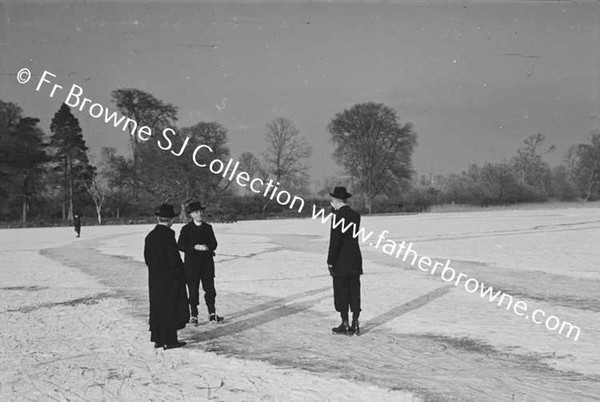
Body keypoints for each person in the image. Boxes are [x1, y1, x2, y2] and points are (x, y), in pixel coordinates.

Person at [144, 204, 190, 349]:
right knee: (170, 308)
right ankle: (170, 340)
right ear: (170, 220)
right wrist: (181, 272)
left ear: (158, 218)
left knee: (157, 308)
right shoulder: (168, 235)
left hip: (155, 279)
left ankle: (158, 338)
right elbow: (173, 259)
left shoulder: (150, 236)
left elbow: (147, 259)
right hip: (170, 280)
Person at [177, 201, 224, 325]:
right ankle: (194, 315)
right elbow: (180, 245)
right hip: (191, 266)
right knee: (193, 291)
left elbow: (214, 244)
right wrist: (194, 247)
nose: (199, 214)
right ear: (191, 214)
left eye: (201, 211)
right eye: (196, 212)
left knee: (210, 290)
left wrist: (207, 247)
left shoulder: (208, 228)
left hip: (207, 265)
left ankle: (212, 314)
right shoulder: (186, 229)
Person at [327, 187, 363, 336]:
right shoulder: (356, 215)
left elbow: (335, 241)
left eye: (332, 201)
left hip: (341, 260)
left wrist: (330, 260)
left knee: (341, 291)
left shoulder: (337, 216)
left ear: (336, 201)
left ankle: (345, 323)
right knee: (354, 291)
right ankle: (355, 321)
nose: (331, 203)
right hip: (354, 258)